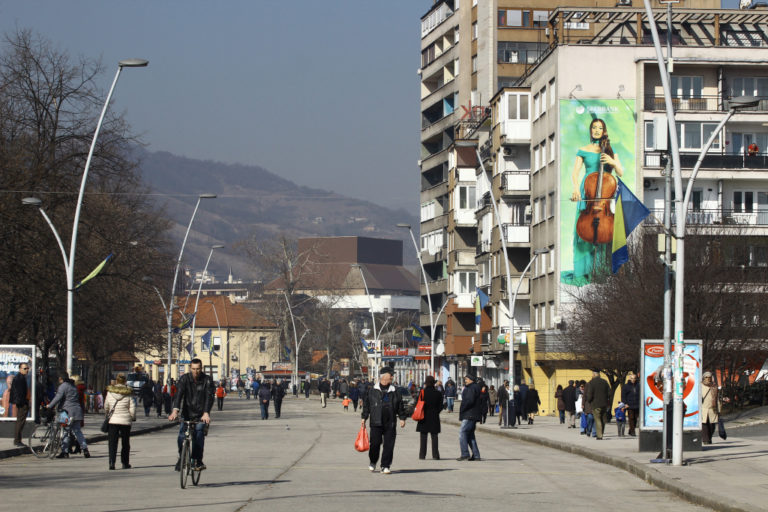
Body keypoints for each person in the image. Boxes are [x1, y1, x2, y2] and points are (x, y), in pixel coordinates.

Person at [566, 118, 625, 285]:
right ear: (591, 130)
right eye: (594, 128)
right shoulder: (583, 150)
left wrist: (612, 161)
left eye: (600, 128)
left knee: (605, 233)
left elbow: (620, 172)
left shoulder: (611, 151)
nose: (597, 130)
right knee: (582, 233)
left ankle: (600, 271)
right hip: (588, 192)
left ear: (604, 131)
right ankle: (582, 272)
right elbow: (575, 173)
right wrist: (576, 189)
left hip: (606, 195)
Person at [169, 359, 214, 471]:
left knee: (199, 434)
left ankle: (197, 461)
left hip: (200, 414)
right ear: (190, 368)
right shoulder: (185, 379)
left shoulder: (207, 380)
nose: (195, 371)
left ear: (201, 368)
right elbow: (178, 394)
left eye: (198, 369)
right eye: (193, 369)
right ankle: (182, 457)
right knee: (181, 436)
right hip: (187, 413)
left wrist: (206, 413)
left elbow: (209, 397)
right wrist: (175, 411)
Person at [361, 367, 407, 474]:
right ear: (385, 376)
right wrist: (364, 417)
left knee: (389, 445)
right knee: (375, 444)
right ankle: (373, 461)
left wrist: (402, 418)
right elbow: (367, 405)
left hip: (390, 422)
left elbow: (400, 405)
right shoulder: (372, 390)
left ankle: (385, 465)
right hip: (376, 422)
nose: (392, 377)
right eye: (391, 375)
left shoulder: (395, 391)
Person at [46, 371, 89, 458]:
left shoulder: (63, 386)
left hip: (66, 411)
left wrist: (49, 406)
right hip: (77, 411)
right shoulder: (73, 386)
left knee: (65, 431)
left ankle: (64, 452)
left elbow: (58, 397)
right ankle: (85, 449)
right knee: (78, 432)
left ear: (60, 378)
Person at [105, 374, 136, 470]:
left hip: (113, 420)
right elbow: (132, 407)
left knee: (112, 442)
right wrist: (132, 417)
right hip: (125, 421)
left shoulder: (110, 392)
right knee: (125, 443)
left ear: (117, 381)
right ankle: (125, 463)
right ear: (125, 381)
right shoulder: (128, 393)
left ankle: (112, 462)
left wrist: (107, 415)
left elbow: (106, 405)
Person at [457, 374, 482, 461]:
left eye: (466, 379)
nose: (465, 381)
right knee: (470, 435)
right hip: (472, 414)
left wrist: (463, 408)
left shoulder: (471, 388)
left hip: (469, 414)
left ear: (471, 380)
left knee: (462, 433)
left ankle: (465, 453)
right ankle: (476, 455)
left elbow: (469, 401)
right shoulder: (473, 387)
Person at [416, 375, 442, 460]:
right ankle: (435, 455)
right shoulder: (438, 393)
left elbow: (418, 403)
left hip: (424, 416)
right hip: (434, 416)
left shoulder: (422, 392)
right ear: (434, 383)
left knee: (423, 436)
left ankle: (422, 455)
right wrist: (436, 411)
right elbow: (441, 406)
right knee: (434, 436)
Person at [10, 362, 30, 447]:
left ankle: (18, 439)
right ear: (20, 369)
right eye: (25, 368)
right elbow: (18, 392)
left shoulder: (22, 377)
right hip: (22, 402)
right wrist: (23, 402)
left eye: (27, 368)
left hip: (22, 402)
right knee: (20, 421)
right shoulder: (19, 378)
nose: (27, 370)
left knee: (21, 421)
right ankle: (17, 440)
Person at [586, 371, 611, 440]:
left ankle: (599, 435)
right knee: (603, 419)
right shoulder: (605, 382)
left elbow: (590, 394)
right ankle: (601, 432)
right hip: (604, 404)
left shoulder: (592, 383)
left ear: (594, 375)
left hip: (595, 404)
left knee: (597, 419)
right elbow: (609, 393)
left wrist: (589, 400)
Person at [701, 371, 719, 445]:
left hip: (712, 408)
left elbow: (717, 398)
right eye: (706, 377)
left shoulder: (714, 386)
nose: (708, 379)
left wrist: (719, 408)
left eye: (710, 377)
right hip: (703, 408)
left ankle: (709, 437)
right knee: (704, 425)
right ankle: (706, 440)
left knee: (712, 425)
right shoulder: (700, 386)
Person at [621, 372, 641, 436]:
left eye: (634, 378)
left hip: (637, 404)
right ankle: (632, 432)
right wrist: (625, 403)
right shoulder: (626, 386)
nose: (633, 380)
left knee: (635, 418)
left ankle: (630, 430)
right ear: (630, 379)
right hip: (629, 405)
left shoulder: (638, 385)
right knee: (631, 418)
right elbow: (623, 396)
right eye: (632, 378)